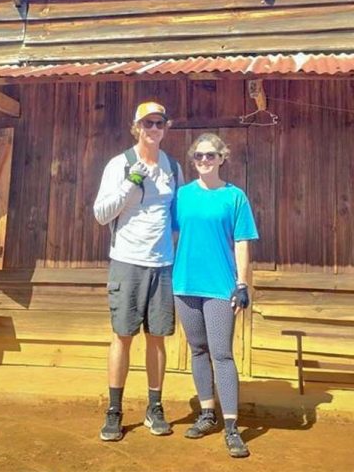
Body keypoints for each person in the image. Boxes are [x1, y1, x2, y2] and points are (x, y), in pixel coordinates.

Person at [93, 101, 184, 442]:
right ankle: (114, 411)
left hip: (162, 263)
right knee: (122, 335)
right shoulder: (119, 164)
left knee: (157, 338)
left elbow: (177, 218)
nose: (153, 129)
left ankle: (154, 406)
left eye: (159, 123)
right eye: (147, 123)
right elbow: (101, 214)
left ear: (165, 127)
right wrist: (130, 183)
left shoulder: (173, 167)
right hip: (127, 261)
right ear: (136, 127)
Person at [172, 132, 259, 458]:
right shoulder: (181, 197)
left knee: (221, 353)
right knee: (197, 350)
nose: (205, 161)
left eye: (211, 155)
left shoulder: (235, 198)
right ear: (193, 160)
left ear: (222, 158)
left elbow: (242, 242)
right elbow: (165, 233)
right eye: (199, 156)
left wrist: (242, 284)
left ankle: (233, 426)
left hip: (221, 288)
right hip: (184, 285)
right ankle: (207, 414)